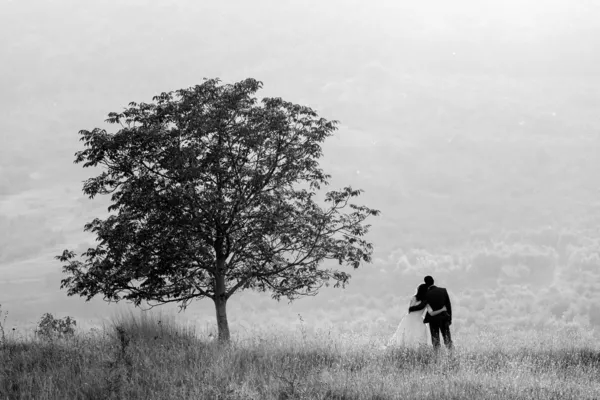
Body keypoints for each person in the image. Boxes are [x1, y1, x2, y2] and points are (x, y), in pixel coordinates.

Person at [389, 283, 448, 348]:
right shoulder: (415, 298)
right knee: (407, 337)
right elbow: (411, 309)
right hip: (411, 319)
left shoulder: (426, 302)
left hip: (417, 320)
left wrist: (442, 309)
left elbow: (431, 313)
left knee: (418, 339)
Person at [408, 276, 453, 349]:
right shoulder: (443, 291)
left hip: (433, 319)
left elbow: (421, 306)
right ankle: (451, 355)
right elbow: (448, 305)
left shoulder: (427, 294)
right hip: (444, 318)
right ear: (433, 281)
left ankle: (437, 357)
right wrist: (449, 319)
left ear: (426, 283)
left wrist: (411, 308)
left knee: (435, 341)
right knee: (447, 339)